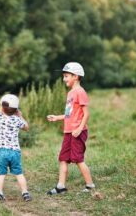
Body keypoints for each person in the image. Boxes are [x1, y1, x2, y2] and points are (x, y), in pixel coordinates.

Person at [46, 62, 95, 195]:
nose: (64, 79)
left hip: (77, 132)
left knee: (78, 159)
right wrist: (57, 117)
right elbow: (69, 114)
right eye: (64, 76)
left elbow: (87, 114)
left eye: (66, 76)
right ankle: (60, 186)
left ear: (76, 76)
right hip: (68, 131)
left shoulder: (80, 92)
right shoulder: (70, 93)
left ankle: (90, 185)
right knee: (63, 158)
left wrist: (79, 128)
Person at [0, 89, 32, 202]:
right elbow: (26, 127)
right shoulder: (17, 120)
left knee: (1, 174)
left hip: (1, 151)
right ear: (16, 110)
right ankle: (25, 193)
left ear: (1, 107)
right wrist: (20, 116)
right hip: (15, 152)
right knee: (19, 173)